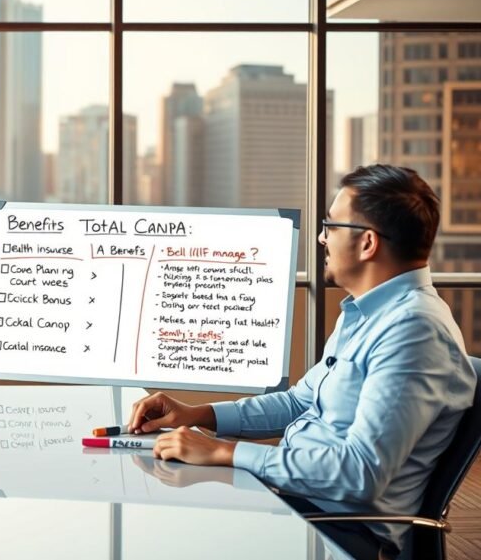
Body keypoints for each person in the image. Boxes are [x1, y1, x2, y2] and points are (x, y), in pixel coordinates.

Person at [126, 164, 477, 559]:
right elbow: (299, 402)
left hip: (336, 530)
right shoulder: (367, 313)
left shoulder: (413, 331)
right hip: (297, 500)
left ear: (367, 244)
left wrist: (226, 453)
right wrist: (197, 414)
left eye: (331, 225)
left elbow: (358, 474)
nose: (322, 237)